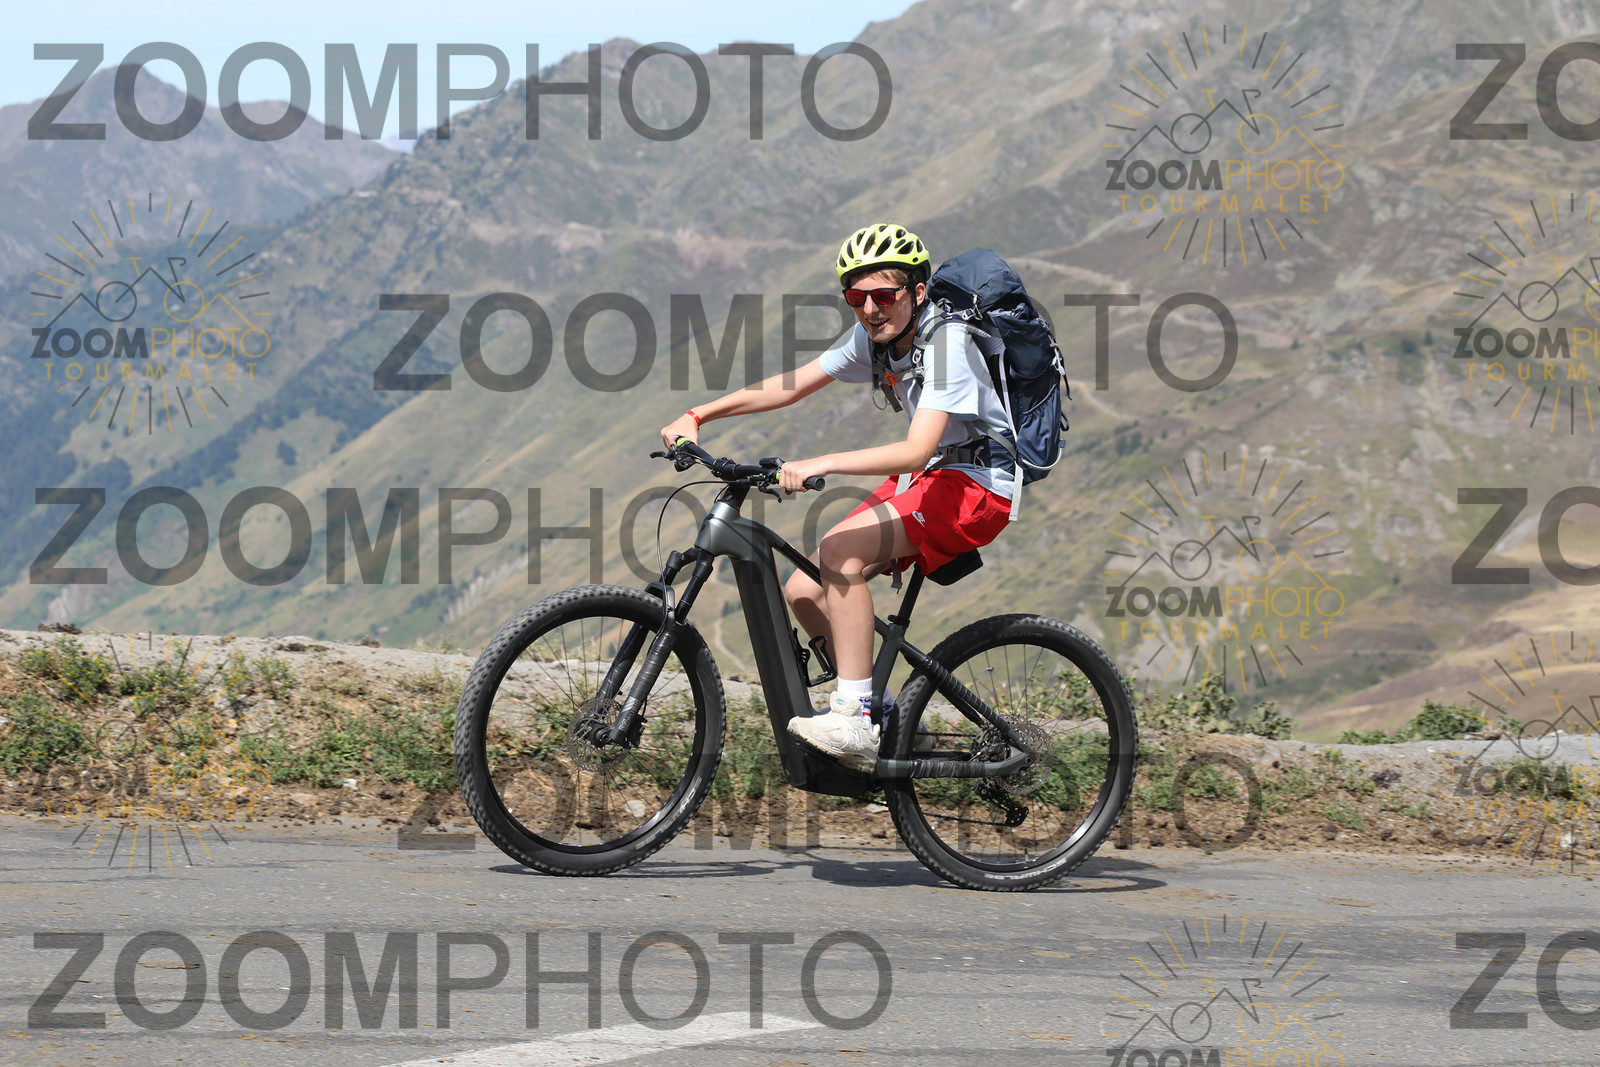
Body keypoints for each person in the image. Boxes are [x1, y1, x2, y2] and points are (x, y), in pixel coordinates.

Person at [658, 223, 1018, 771]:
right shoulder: (876, 340)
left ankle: (855, 719)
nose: (870, 309)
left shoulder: (948, 344)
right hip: (930, 478)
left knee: (839, 552)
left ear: (918, 292)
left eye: (884, 296)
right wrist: (698, 414)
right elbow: (794, 384)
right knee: (805, 588)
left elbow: (916, 449)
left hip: (977, 485)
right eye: (856, 298)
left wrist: (822, 462)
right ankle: (886, 716)